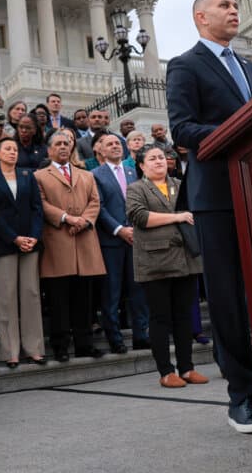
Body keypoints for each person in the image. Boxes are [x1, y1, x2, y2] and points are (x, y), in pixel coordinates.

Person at [166, 0, 252, 434]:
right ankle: (242, 396)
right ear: (200, 18)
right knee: (228, 300)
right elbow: (183, 129)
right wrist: (238, 128)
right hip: (217, 199)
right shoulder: (185, 65)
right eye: (224, 5)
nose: (234, 11)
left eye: (235, 5)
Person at [125, 145, 207, 388]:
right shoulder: (136, 188)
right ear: (141, 165)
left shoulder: (180, 185)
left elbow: (194, 211)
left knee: (184, 317)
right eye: (152, 158)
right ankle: (165, 371)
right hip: (155, 262)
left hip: (185, 259)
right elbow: (139, 217)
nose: (159, 161)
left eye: (162, 157)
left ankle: (187, 368)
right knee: (160, 318)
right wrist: (177, 217)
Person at [34, 129, 106, 362]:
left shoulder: (86, 175)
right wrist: (67, 218)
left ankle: (85, 344)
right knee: (59, 300)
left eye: (67, 143)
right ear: (49, 150)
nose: (64, 147)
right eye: (58, 144)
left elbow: (95, 201)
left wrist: (84, 220)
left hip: (84, 241)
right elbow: (42, 204)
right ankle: (61, 346)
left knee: (84, 299)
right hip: (57, 243)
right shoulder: (39, 176)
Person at [0, 138, 45, 368]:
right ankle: (10, 351)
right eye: (7, 149)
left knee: (31, 294)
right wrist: (14, 238)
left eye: (15, 149)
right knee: (6, 297)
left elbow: (37, 209)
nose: (12, 153)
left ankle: (35, 348)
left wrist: (33, 236)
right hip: (5, 243)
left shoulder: (28, 175)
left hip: (30, 241)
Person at [92, 132, 149, 353]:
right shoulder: (95, 174)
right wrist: (119, 229)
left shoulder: (133, 171)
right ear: (101, 150)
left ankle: (141, 335)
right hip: (112, 241)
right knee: (112, 293)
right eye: (110, 144)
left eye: (118, 143)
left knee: (139, 291)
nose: (116, 146)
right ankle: (115, 339)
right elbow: (100, 207)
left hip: (136, 238)